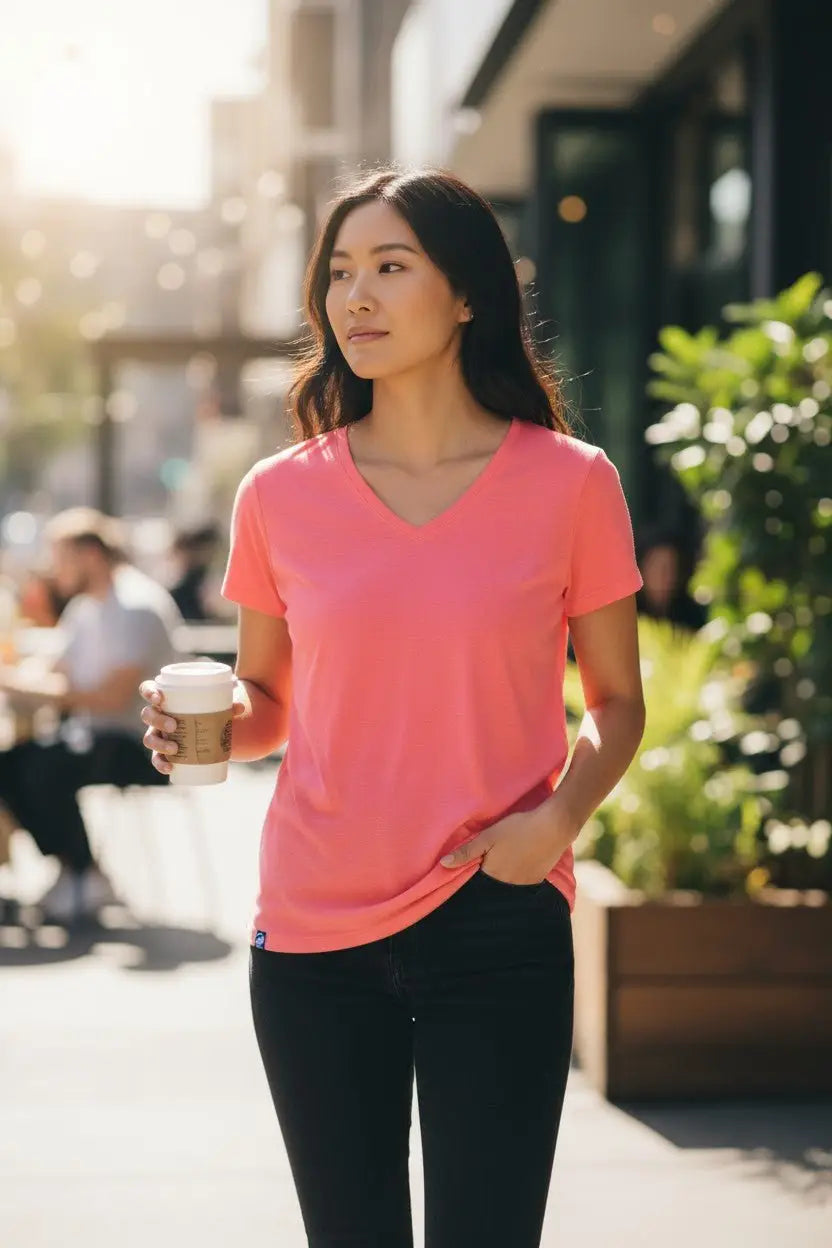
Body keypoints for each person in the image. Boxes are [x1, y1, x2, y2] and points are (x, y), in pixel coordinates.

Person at [140, 168, 646, 1247]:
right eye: (337, 272)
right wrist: (210, 723)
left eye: (389, 266)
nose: (353, 296)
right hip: (314, 926)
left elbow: (615, 704)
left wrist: (555, 825)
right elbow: (272, 703)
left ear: (467, 295)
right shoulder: (278, 494)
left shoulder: (571, 482)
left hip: (497, 912)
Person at [0, 508, 182, 922]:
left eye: (61, 556)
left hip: (146, 745)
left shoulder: (137, 604)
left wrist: (16, 684)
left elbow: (111, 698)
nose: (53, 568)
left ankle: (82, 873)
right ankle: (78, 867)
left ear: (90, 555)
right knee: (11, 765)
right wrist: (18, 680)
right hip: (94, 736)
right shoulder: (85, 608)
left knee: (46, 765)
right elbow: (51, 670)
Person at [635, 524, 706, 632]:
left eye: (671, 568)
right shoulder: (629, 615)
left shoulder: (692, 617)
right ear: (642, 568)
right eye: (658, 568)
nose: (664, 577)